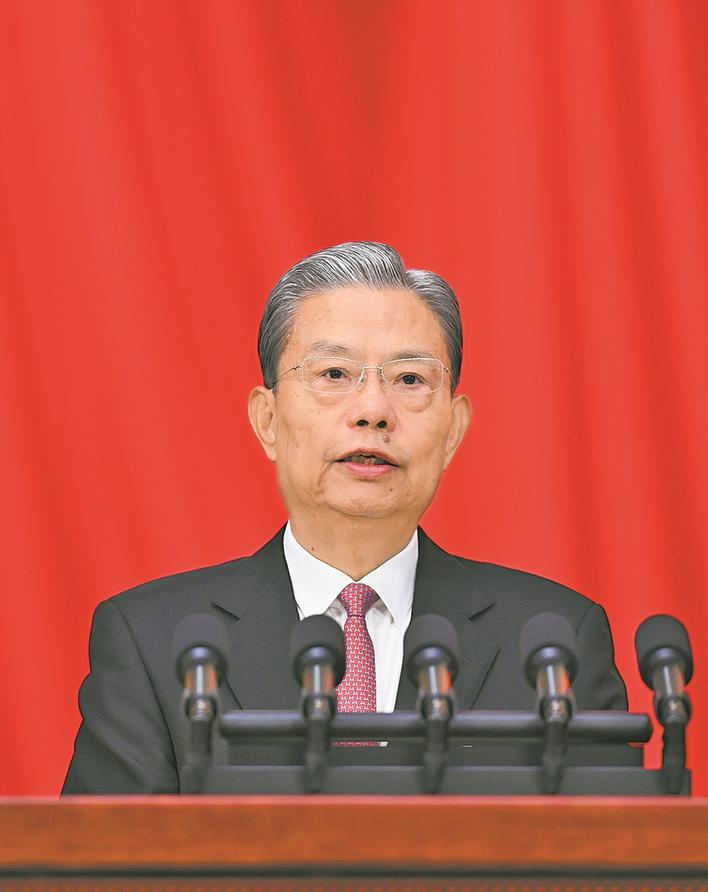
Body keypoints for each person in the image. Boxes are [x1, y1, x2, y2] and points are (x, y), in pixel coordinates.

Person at [62, 241, 626, 794]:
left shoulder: (554, 647)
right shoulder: (152, 644)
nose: (373, 410)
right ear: (267, 420)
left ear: (453, 430)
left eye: (409, 380)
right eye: (334, 374)